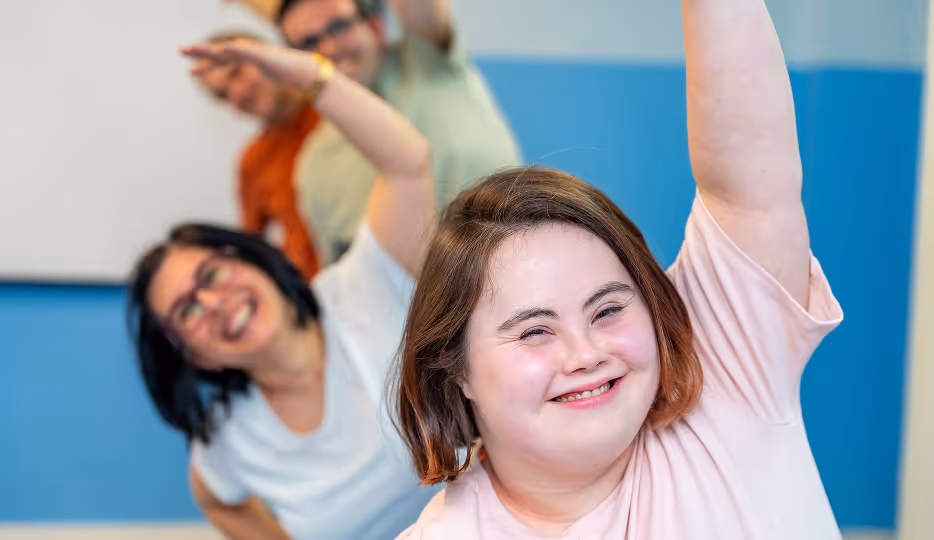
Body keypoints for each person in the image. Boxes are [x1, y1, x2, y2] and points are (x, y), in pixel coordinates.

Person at [392, 0, 844, 538]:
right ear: (455, 369)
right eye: (535, 330)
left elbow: (745, 189)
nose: (586, 354)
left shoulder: (727, 372)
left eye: (607, 309)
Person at [128, 39, 439, 540]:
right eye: (186, 311)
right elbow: (217, 500)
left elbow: (408, 161)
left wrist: (309, 75)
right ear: (195, 357)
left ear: (252, 260)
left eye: (209, 276)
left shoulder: (365, 284)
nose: (211, 302)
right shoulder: (226, 440)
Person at [253, 0, 521, 263]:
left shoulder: (427, 61)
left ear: (375, 25)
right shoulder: (314, 168)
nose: (329, 48)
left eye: (339, 26)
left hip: (518, 260)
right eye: (309, 42)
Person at [196, 30, 322, 281]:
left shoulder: (336, 106)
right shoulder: (253, 162)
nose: (237, 94)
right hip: (317, 293)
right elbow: (249, 247)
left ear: (267, 55)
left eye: (236, 73)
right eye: (223, 94)